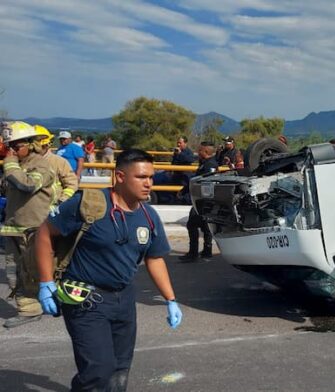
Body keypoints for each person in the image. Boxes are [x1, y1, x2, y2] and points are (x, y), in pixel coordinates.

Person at [35, 149, 182, 391]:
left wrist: (171, 299)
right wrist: (45, 282)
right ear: (120, 177)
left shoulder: (148, 215)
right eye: (141, 177)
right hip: (86, 299)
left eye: (151, 177)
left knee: (120, 370)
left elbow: (154, 258)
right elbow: (44, 232)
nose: (148, 184)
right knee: (97, 372)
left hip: (124, 299)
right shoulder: (89, 204)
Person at [0, 121, 56, 328]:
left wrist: (10, 164)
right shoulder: (16, 166)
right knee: (14, 271)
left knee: (33, 270)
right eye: (10, 147)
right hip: (13, 227)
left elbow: (27, 184)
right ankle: (28, 309)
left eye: (16, 146)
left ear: (31, 144)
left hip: (33, 229)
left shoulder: (41, 165)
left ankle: (39, 306)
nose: (12, 151)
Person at [180, 142, 218, 262]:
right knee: (205, 226)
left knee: (192, 225)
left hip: (204, 201)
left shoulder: (210, 165)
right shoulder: (205, 164)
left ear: (206, 152)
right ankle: (206, 251)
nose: (198, 152)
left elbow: (206, 182)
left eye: (200, 150)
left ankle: (194, 253)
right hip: (202, 201)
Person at [34, 125, 79, 204]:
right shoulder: (23, 161)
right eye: (61, 139)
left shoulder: (59, 161)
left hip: (50, 207)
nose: (62, 141)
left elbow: (72, 184)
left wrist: (61, 201)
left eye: (64, 139)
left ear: (46, 145)